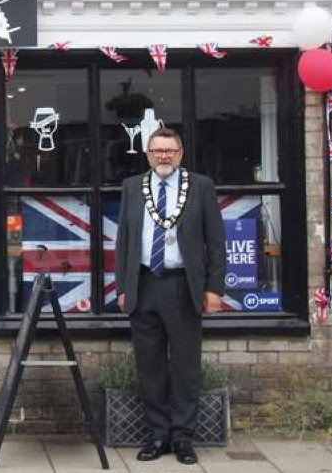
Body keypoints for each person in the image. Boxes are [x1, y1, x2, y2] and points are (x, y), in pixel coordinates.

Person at [114, 128, 225, 466]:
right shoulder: (132, 187)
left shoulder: (201, 186)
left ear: (181, 154)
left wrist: (213, 289)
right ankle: (157, 434)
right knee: (149, 366)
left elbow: (216, 242)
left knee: (186, 366)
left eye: (169, 151)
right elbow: (123, 241)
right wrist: (122, 287)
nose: (163, 156)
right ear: (147, 154)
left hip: (183, 286)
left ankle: (182, 438)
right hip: (144, 284)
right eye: (157, 150)